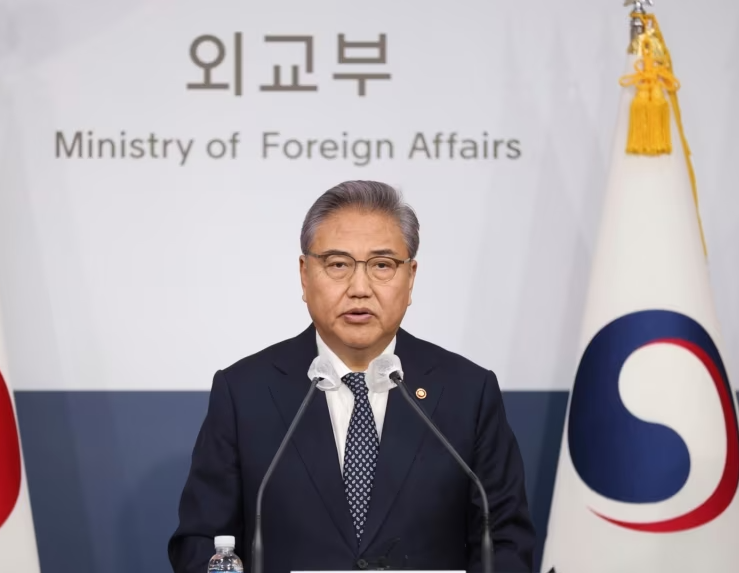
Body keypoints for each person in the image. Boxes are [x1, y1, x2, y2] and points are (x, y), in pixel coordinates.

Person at [168, 180, 535, 573]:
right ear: (305, 275)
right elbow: (200, 540)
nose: (359, 288)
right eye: (338, 264)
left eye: (382, 265)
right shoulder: (244, 392)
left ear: (410, 278)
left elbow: (504, 541)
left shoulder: (468, 392)